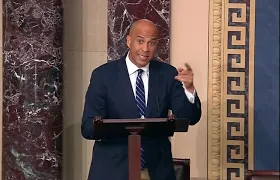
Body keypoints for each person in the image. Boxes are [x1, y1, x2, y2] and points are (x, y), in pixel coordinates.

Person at [81, 19, 202, 180]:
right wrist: (111, 128)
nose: (145, 49)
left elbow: (190, 118)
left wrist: (189, 89)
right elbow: (88, 128)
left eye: (151, 43)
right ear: (129, 41)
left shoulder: (167, 74)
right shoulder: (103, 76)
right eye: (140, 41)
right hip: (113, 170)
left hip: (156, 170)